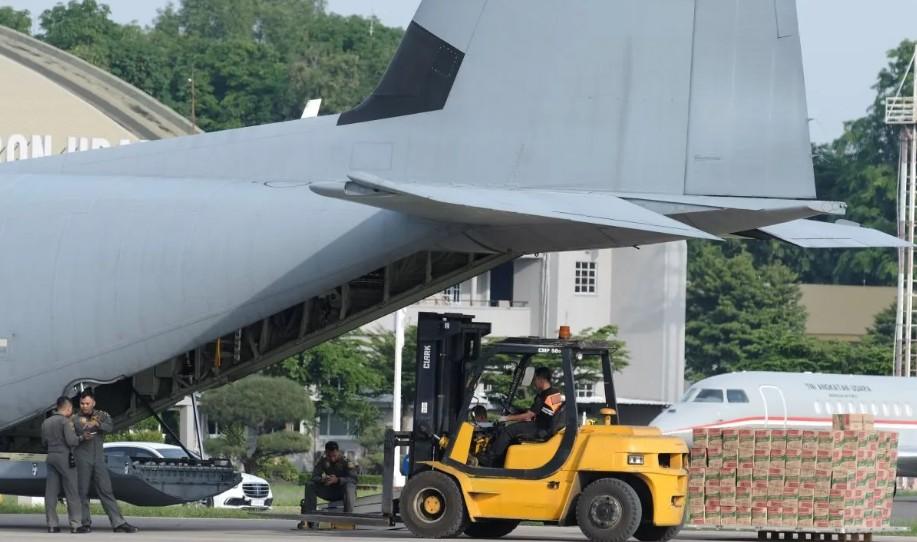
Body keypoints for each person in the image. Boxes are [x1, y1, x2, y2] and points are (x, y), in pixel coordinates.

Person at [72, 389, 139, 533]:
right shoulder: (75, 418)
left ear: (93, 403)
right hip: (82, 458)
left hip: (98, 459)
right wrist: (93, 423)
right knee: (82, 492)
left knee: (106, 490)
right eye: (82, 403)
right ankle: (84, 523)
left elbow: (110, 427)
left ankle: (118, 523)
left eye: (87, 403)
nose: (84, 406)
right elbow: (83, 425)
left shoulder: (102, 415)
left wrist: (98, 424)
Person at [480, 367, 563, 467]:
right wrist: (517, 412)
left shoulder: (545, 395)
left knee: (508, 430)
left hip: (540, 428)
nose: (533, 382)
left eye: (535, 379)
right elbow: (541, 412)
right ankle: (501, 461)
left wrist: (506, 418)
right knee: (515, 433)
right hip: (544, 426)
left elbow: (530, 414)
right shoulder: (554, 393)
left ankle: (489, 458)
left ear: (541, 379)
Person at [41, 396, 82, 533]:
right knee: (72, 491)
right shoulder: (65, 422)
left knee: (51, 493)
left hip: (51, 456)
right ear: (68, 408)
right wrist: (81, 437)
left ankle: (52, 525)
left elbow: (43, 443)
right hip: (64, 457)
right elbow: (71, 441)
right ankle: (76, 525)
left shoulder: (45, 422)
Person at [302, 441, 357, 515]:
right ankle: (310, 517)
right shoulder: (323, 461)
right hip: (329, 491)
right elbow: (314, 477)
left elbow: (354, 479)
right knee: (310, 485)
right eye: (329, 456)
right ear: (326, 453)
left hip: (343, 492)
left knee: (350, 486)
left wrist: (338, 480)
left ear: (338, 452)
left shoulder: (346, 462)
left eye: (334, 455)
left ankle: (347, 517)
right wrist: (323, 479)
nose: (332, 459)